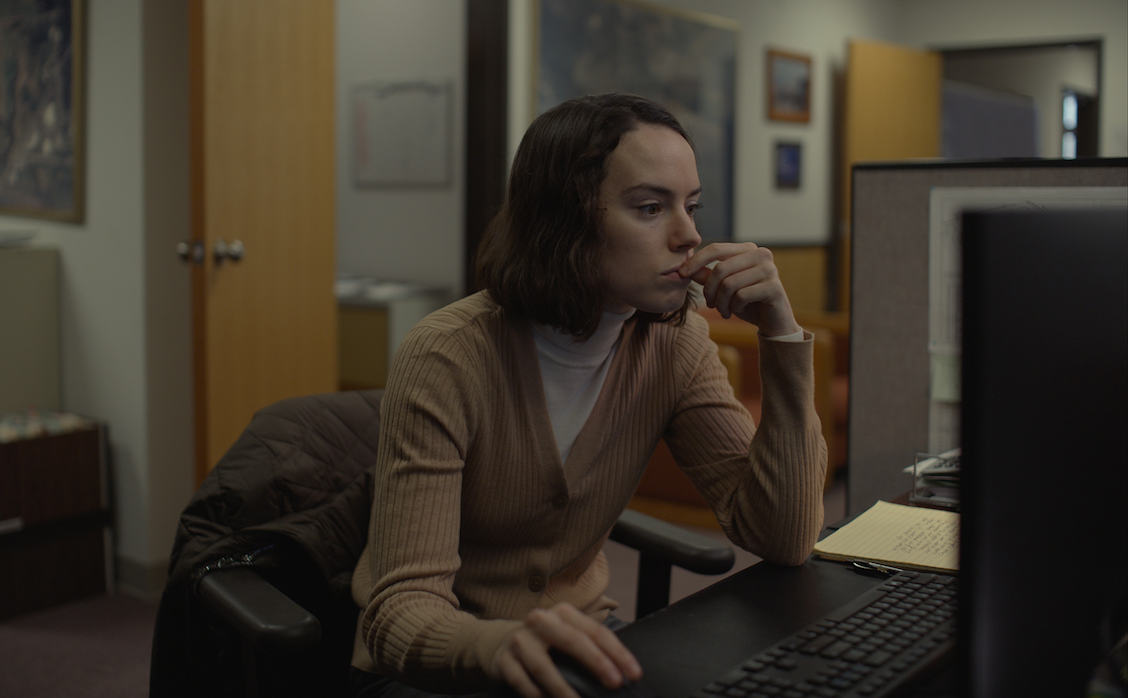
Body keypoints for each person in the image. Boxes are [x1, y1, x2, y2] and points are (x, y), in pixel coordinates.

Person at [348, 93, 827, 698]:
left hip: (582, 649)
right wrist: (495, 645)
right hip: (441, 665)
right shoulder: (449, 355)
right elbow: (397, 617)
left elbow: (783, 537)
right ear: (565, 220)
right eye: (651, 208)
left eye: (692, 206)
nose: (690, 235)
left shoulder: (675, 343)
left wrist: (781, 336)